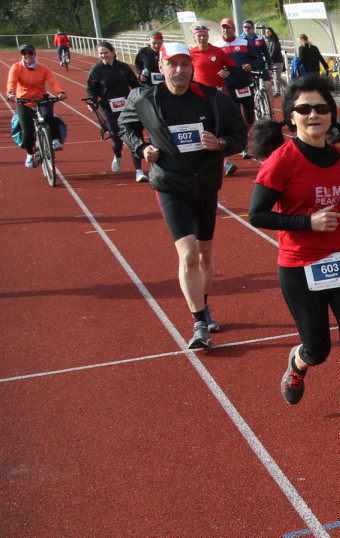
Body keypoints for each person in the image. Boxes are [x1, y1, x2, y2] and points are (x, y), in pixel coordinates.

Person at [248, 75, 340, 451]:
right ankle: (299, 361)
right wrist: (307, 222)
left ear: (331, 115)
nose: (314, 115)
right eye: (304, 109)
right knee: (319, 349)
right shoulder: (281, 161)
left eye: (321, 108)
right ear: (291, 117)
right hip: (299, 265)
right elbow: (257, 215)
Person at [119, 42, 247, 350]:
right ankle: (199, 322)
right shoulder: (144, 98)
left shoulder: (213, 98)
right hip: (170, 184)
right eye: (172, 64)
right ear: (160, 67)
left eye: (184, 64)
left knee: (204, 254)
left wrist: (221, 144)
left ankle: (203, 304)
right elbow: (126, 127)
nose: (179, 70)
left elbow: (240, 134)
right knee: (188, 254)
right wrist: (141, 148)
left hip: (205, 184)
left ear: (192, 67)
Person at [86, 41, 146, 181]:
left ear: (113, 52)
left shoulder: (123, 67)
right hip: (108, 109)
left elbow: (135, 85)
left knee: (134, 137)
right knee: (117, 140)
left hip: (128, 109)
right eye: (101, 53)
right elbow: (91, 89)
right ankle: (118, 155)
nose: (103, 55)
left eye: (106, 52)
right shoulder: (97, 69)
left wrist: (141, 95)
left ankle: (139, 170)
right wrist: (93, 101)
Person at [189, 23, 240, 177]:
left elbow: (232, 67)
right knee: (202, 127)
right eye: (199, 35)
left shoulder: (217, 52)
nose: (202, 38)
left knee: (220, 127)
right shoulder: (190, 54)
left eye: (205, 35)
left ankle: (225, 161)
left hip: (218, 95)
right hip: (198, 96)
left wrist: (227, 73)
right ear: (194, 37)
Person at [212, 18, 269, 155]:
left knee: (249, 118)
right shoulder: (216, 45)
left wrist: (252, 66)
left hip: (245, 84)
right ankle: (240, 144)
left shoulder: (244, 43)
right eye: (223, 28)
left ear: (233, 29)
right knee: (235, 116)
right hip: (228, 86)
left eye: (228, 27)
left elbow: (257, 60)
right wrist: (219, 72)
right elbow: (213, 65)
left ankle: (243, 137)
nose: (226, 30)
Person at [6, 43, 66, 169]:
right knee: (27, 131)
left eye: (30, 53)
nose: (27, 56)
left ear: (35, 54)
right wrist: (11, 93)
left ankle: (55, 140)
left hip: (40, 99)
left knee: (49, 116)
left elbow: (53, 81)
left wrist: (60, 92)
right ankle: (29, 154)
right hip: (24, 101)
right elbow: (12, 81)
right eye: (24, 53)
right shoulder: (16, 67)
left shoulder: (42, 68)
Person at [262, 26, 286, 96]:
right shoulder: (268, 41)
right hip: (273, 61)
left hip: (277, 61)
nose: (267, 33)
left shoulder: (275, 41)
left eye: (268, 31)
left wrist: (269, 60)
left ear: (272, 32)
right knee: (275, 77)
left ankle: (289, 87)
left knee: (277, 77)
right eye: (266, 32)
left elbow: (274, 52)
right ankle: (278, 91)